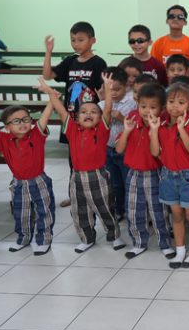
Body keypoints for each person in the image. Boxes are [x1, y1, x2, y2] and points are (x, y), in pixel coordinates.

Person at [37, 74, 124, 253]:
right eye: (84, 112)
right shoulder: (72, 129)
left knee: (105, 208)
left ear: (100, 118)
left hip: (98, 176)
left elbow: (108, 109)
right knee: (79, 211)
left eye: (93, 112)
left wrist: (108, 89)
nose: (88, 114)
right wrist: (50, 93)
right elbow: (62, 111)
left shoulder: (101, 130)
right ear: (76, 117)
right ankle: (87, 238)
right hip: (76, 177)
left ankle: (114, 236)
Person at [0, 99, 55, 255]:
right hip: (18, 183)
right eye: (16, 121)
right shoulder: (4, 140)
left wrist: (52, 100)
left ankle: (44, 240)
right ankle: (23, 238)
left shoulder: (36, 135)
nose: (22, 123)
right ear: (7, 127)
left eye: (25, 119)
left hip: (39, 181)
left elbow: (45, 116)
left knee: (44, 212)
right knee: (21, 213)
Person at [42, 22, 107, 209]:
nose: (76, 44)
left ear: (92, 40)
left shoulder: (98, 63)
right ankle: (75, 195)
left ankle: (97, 193)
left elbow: (102, 90)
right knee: (74, 159)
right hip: (71, 120)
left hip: (91, 120)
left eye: (80, 40)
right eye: (73, 40)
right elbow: (47, 75)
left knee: (94, 157)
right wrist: (48, 52)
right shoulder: (70, 61)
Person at [115, 83, 174, 260]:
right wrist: (127, 131)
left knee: (159, 211)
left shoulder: (163, 125)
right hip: (133, 174)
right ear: (137, 105)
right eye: (143, 106)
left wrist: (154, 130)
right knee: (134, 210)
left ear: (162, 108)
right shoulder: (132, 119)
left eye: (153, 107)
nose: (147, 111)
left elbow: (157, 153)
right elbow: (119, 149)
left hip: (155, 174)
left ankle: (165, 243)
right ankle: (139, 242)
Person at [149, 81, 189, 269]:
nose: (175, 106)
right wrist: (154, 130)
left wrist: (182, 130)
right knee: (177, 214)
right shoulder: (161, 124)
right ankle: (180, 250)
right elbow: (155, 152)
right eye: (171, 101)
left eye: (181, 102)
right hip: (167, 175)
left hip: (188, 177)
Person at [98, 67, 136, 221]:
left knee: (128, 182)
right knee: (114, 183)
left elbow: (135, 125)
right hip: (108, 149)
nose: (113, 93)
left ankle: (130, 211)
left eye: (117, 89)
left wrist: (120, 117)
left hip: (126, 150)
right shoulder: (101, 104)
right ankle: (119, 210)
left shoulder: (132, 102)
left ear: (126, 86)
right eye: (109, 89)